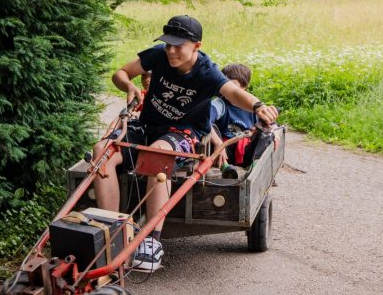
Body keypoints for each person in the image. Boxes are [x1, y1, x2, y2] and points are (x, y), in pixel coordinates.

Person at [92, 15, 278, 270]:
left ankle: (151, 241)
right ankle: (110, 232)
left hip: (182, 134)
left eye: (178, 45)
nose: (170, 50)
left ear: (196, 46)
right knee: (102, 149)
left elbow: (233, 93)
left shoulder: (207, 71)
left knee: (158, 154)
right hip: (147, 126)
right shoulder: (157, 55)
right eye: (168, 43)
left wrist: (257, 106)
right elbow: (121, 73)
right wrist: (128, 87)